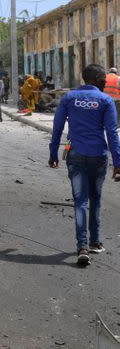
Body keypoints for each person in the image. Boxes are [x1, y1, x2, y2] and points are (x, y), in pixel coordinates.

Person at [49, 64, 120, 267]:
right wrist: (118, 162)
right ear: (97, 79)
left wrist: (53, 152)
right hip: (98, 156)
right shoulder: (105, 101)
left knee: (80, 201)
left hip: (76, 155)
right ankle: (95, 242)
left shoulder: (69, 98)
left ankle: (82, 246)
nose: (106, 81)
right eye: (104, 78)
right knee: (95, 199)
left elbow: (57, 126)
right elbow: (112, 133)